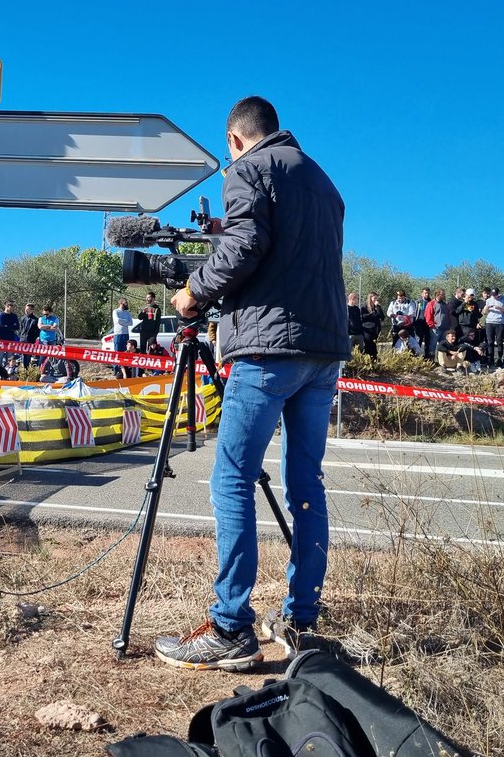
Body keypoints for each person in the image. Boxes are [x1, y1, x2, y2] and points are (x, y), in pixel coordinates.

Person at [154, 96, 349, 670]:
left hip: (269, 350)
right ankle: (301, 618)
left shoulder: (249, 168)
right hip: (323, 350)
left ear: (236, 138)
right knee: (305, 482)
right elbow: (283, 251)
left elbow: (246, 248)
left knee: (232, 479)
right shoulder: (322, 181)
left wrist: (192, 294)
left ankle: (230, 626)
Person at [482, 287, 504, 367]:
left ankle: (499, 359)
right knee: (490, 341)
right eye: (493, 295)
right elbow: (484, 312)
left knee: (499, 341)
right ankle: (490, 359)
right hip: (490, 322)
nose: (494, 296)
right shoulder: (488, 300)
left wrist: (500, 308)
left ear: (498, 293)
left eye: (495, 295)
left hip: (500, 322)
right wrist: (487, 307)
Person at [359, 292, 383, 358]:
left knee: (373, 344)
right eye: (374, 298)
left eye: (377, 298)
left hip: (376, 329)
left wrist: (378, 307)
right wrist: (373, 314)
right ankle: (368, 358)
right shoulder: (364, 306)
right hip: (367, 328)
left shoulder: (377, 306)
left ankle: (374, 358)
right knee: (368, 344)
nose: (376, 300)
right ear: (370, 298)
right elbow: (363, 317)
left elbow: (382, 316)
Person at [18, 302, 39, 369]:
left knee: (28, 356)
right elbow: (21, 329)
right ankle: (23, 370)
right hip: (22, 340)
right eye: (26, 309)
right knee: (23, 356)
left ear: (32, 310)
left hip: (30, 340)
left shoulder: (35, 320)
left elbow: (37, 331)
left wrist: (34, 338)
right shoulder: (22, 318)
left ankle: (27, 370)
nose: (26, 311)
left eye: (28, 309)